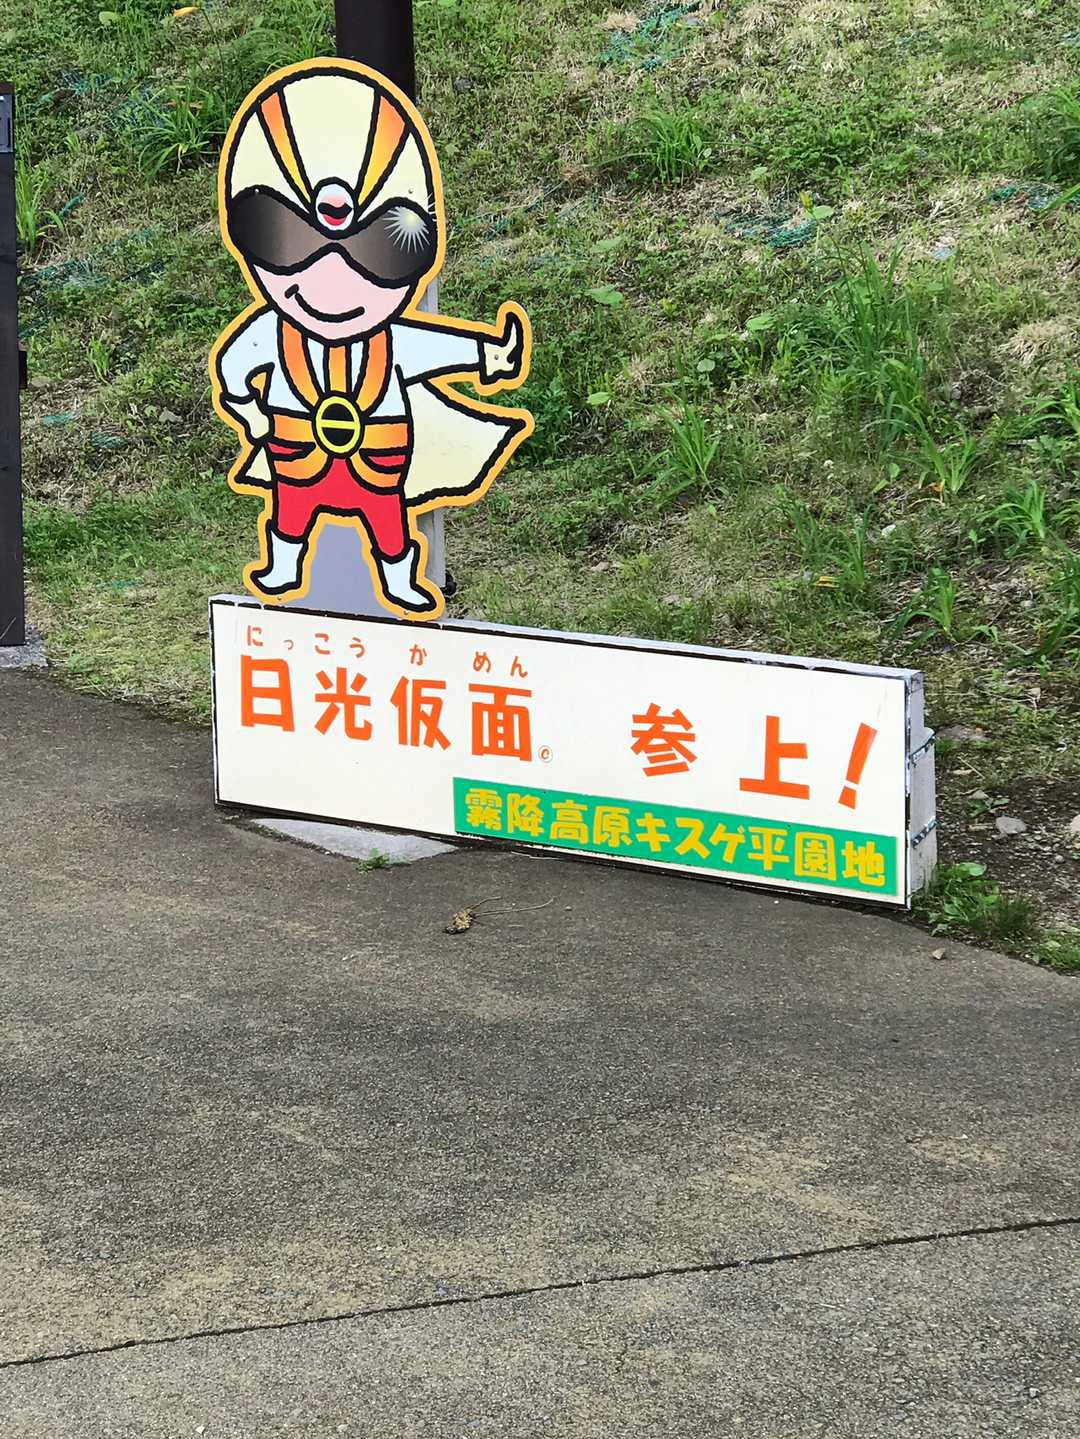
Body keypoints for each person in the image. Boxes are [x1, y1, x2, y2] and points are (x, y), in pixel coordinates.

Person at [212, 60, 532, 617]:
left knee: (387, 519)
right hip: (296, 448)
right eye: (286, 241)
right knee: (292, 512)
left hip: (378, 454)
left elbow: (433, 349)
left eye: (381, 253)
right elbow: (235, 369)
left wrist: (488, 355)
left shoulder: (393, 340)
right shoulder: (271, 333)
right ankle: (284, 565)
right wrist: (251, 414)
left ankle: (399, 580)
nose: (332, 282)